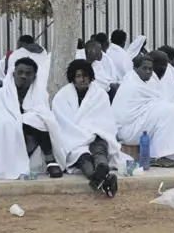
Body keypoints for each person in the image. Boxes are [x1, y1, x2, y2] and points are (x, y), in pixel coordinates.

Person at [52, 59, 125, 197]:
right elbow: (62, 123)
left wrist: (92, 133)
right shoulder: (62, 96)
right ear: (73, 78)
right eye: (78, 76)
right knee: (83, 156)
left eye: (85, 76)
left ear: (90, 76)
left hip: (96, 136)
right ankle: (97, 177)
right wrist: (81, 136)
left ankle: (101, 169)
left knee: (99, 151)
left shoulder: (100, 94)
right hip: (74, 139)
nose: (82, 79)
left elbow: (105, 121)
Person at [113, 55, 174, 167]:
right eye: (144, 68)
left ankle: (170, 153)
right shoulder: (132, 84)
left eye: (150, 69)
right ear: (135, 69)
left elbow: (154, 101)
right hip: (128, 130)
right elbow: (156, 102)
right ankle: (158, 156)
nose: (148, 72)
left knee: (168, 110)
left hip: (136, 124)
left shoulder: (142, 81)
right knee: (167, 111)